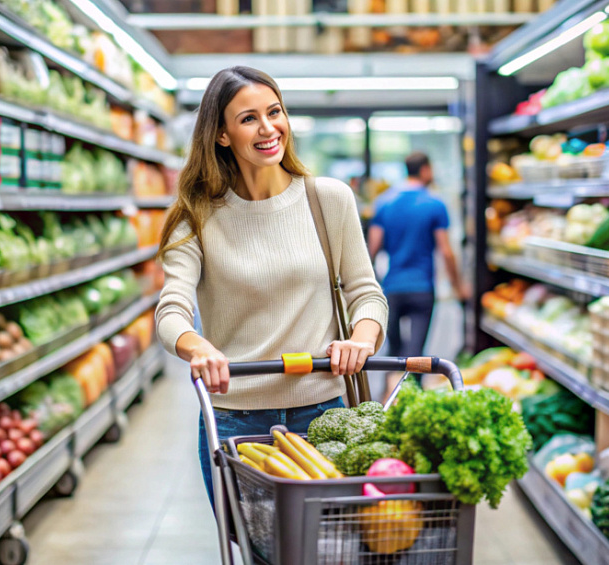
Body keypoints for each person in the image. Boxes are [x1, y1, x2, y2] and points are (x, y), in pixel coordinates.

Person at [154, 66, 388, 505]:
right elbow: (172, 310)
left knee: (329, 538)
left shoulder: (328, 199)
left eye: (274, 112)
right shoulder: (196, 217)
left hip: (323, 412)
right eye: (249, 118)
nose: (268, 128)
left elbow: (366, 292)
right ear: (221, 134)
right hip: (236, 419)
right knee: (254, 539)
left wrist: (360, 338)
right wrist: (197, 347)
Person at [367, 152, 467, 401]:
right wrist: (458, 285)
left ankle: (385, 401)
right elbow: (446, 251)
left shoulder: (384, 202)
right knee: (416, 354)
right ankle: (409, 401)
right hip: (422, 288)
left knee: (393, 351)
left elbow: (371, 250)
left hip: (391, 288)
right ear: (425, 170)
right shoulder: (435, 203)